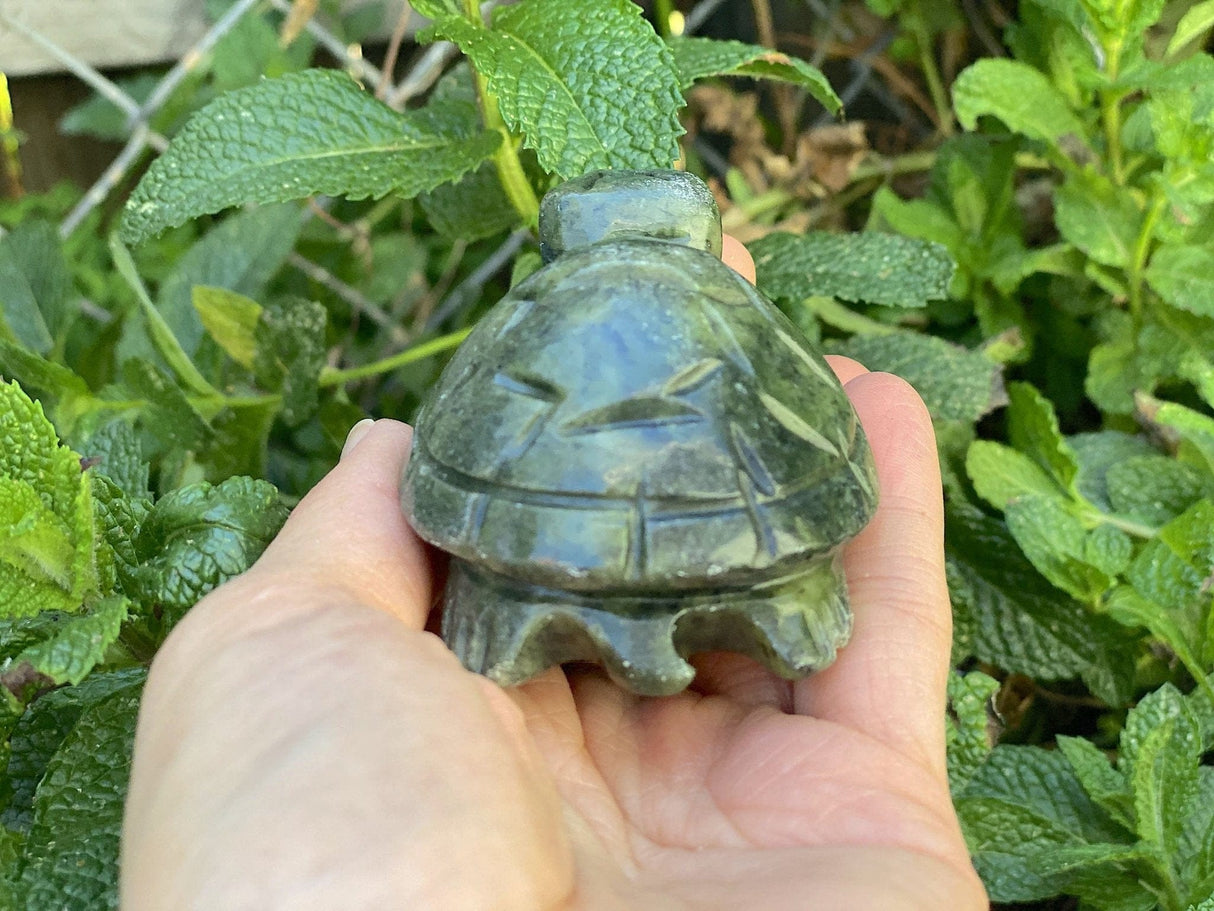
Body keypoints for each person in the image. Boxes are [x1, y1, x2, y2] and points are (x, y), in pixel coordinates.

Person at [119, 240, 989, 910]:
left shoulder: (526, 324)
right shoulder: (730, 324)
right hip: (762, 545)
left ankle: (515, 613)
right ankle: (781, 602)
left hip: (526, 562)